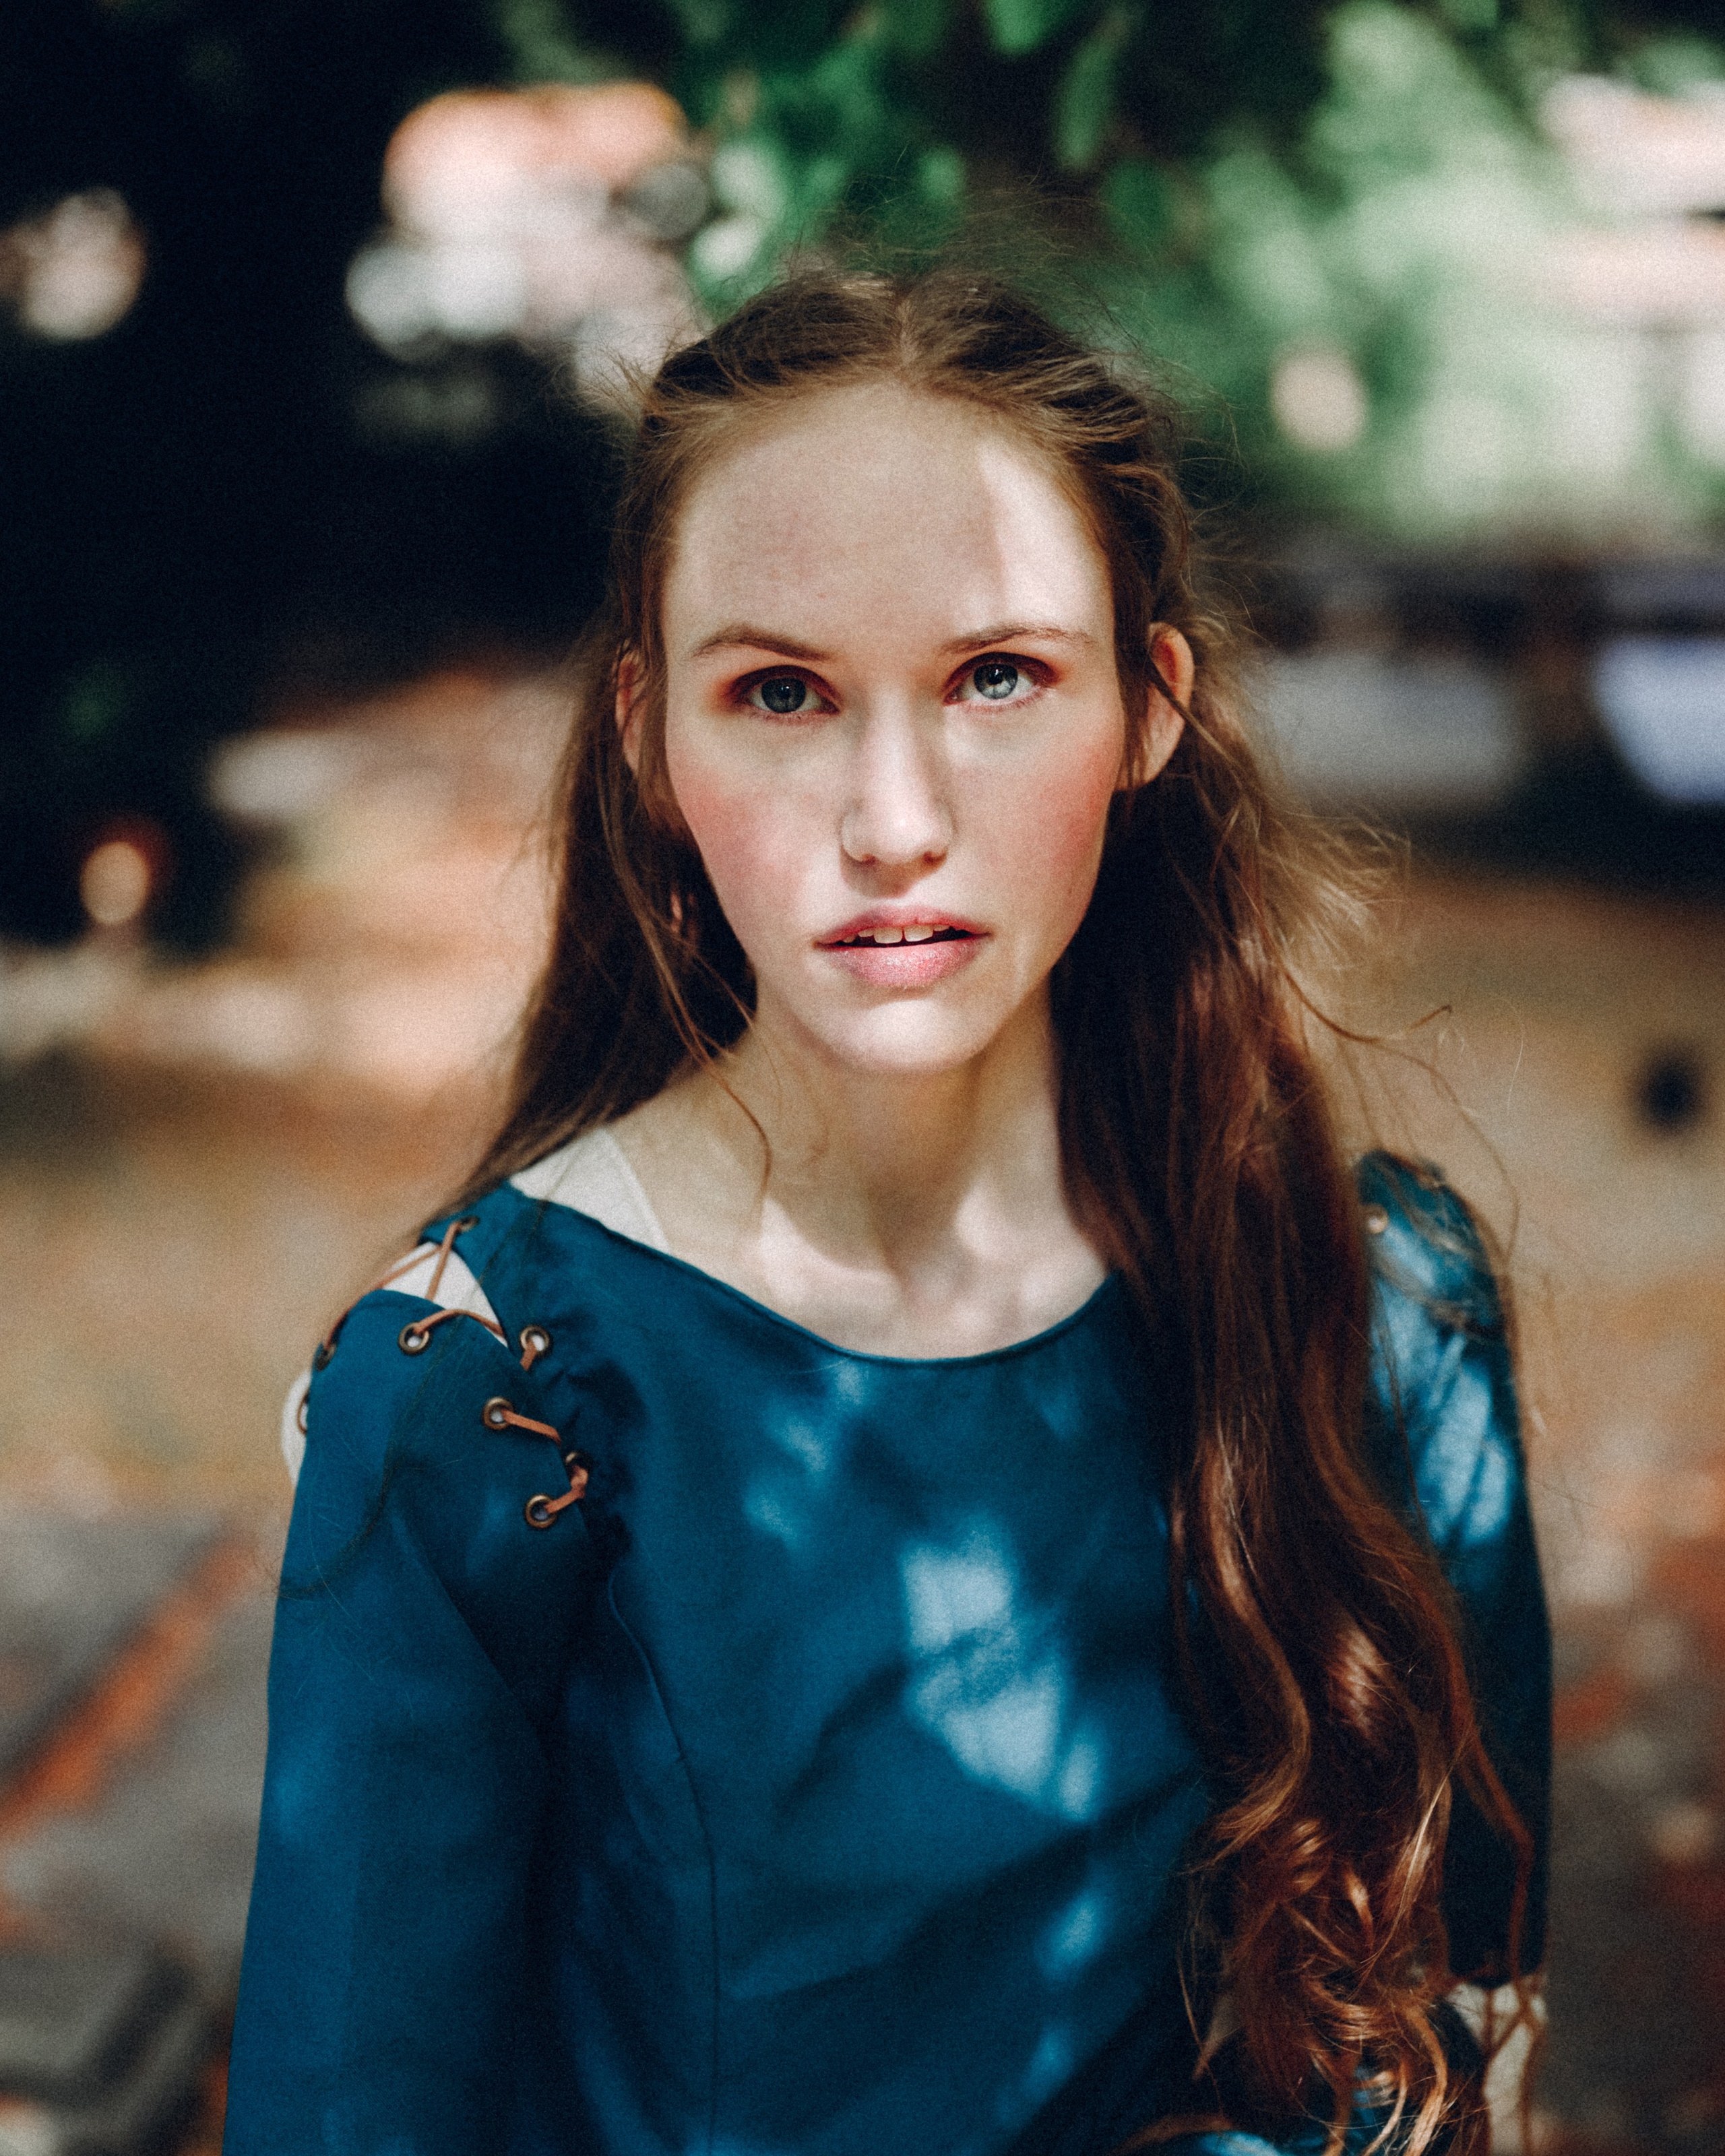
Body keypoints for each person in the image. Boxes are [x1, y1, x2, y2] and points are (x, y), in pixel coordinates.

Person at [224, 270, 1550, 2156]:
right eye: (780, 692)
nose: (891, 813)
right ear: (647, 744)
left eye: (997, 675)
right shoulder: (484, 1398)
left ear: (1149, 708)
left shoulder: (1383, 1312)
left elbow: (1461, 2058)